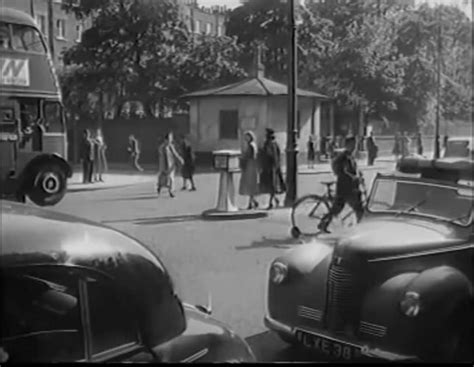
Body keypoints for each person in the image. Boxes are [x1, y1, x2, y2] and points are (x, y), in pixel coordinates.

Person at [318, 136, 364, 233]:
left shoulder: (349, 156)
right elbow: (343, 171)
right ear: (348, 145)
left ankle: (323, 223)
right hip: (346, 187)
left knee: (337, 208)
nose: (355, 147)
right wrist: (354, 177)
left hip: (346, 187)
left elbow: (352, 169)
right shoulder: (344, 157)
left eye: (355, 144)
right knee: (358, 209)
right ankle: (362, 229)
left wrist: (359, 174)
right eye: (353, 144)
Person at [259, 128, 286, 210]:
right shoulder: (271, 144)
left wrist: (262, 152)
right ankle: (275, 200)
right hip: (269, 167)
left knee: (272, 186)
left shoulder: (271, 144)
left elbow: (272, 156)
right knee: (270, 186)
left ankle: (271, 203)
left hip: (271, 168)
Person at [157, 132, 184, 198]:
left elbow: (175, 154)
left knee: (171, 179)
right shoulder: (162, 147)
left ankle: (170, 191)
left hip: (171, 165)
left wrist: (180, 159)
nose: (170, 140)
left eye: (171, 139)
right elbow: (160, 157)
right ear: (165, 140)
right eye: (169, 139)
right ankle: (159, 187)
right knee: (162, 179)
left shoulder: (171, 147)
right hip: (163, 166)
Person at [239, 131, 260, 210]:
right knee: (251, 185)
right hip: (251, 165)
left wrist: (242, 157)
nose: (245, 138)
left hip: (250, 166)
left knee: (249, 184)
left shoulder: (251, 146)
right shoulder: (252, 145)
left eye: (247, 137)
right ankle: (253, 202)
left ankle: (251, 203)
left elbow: (249, 156)